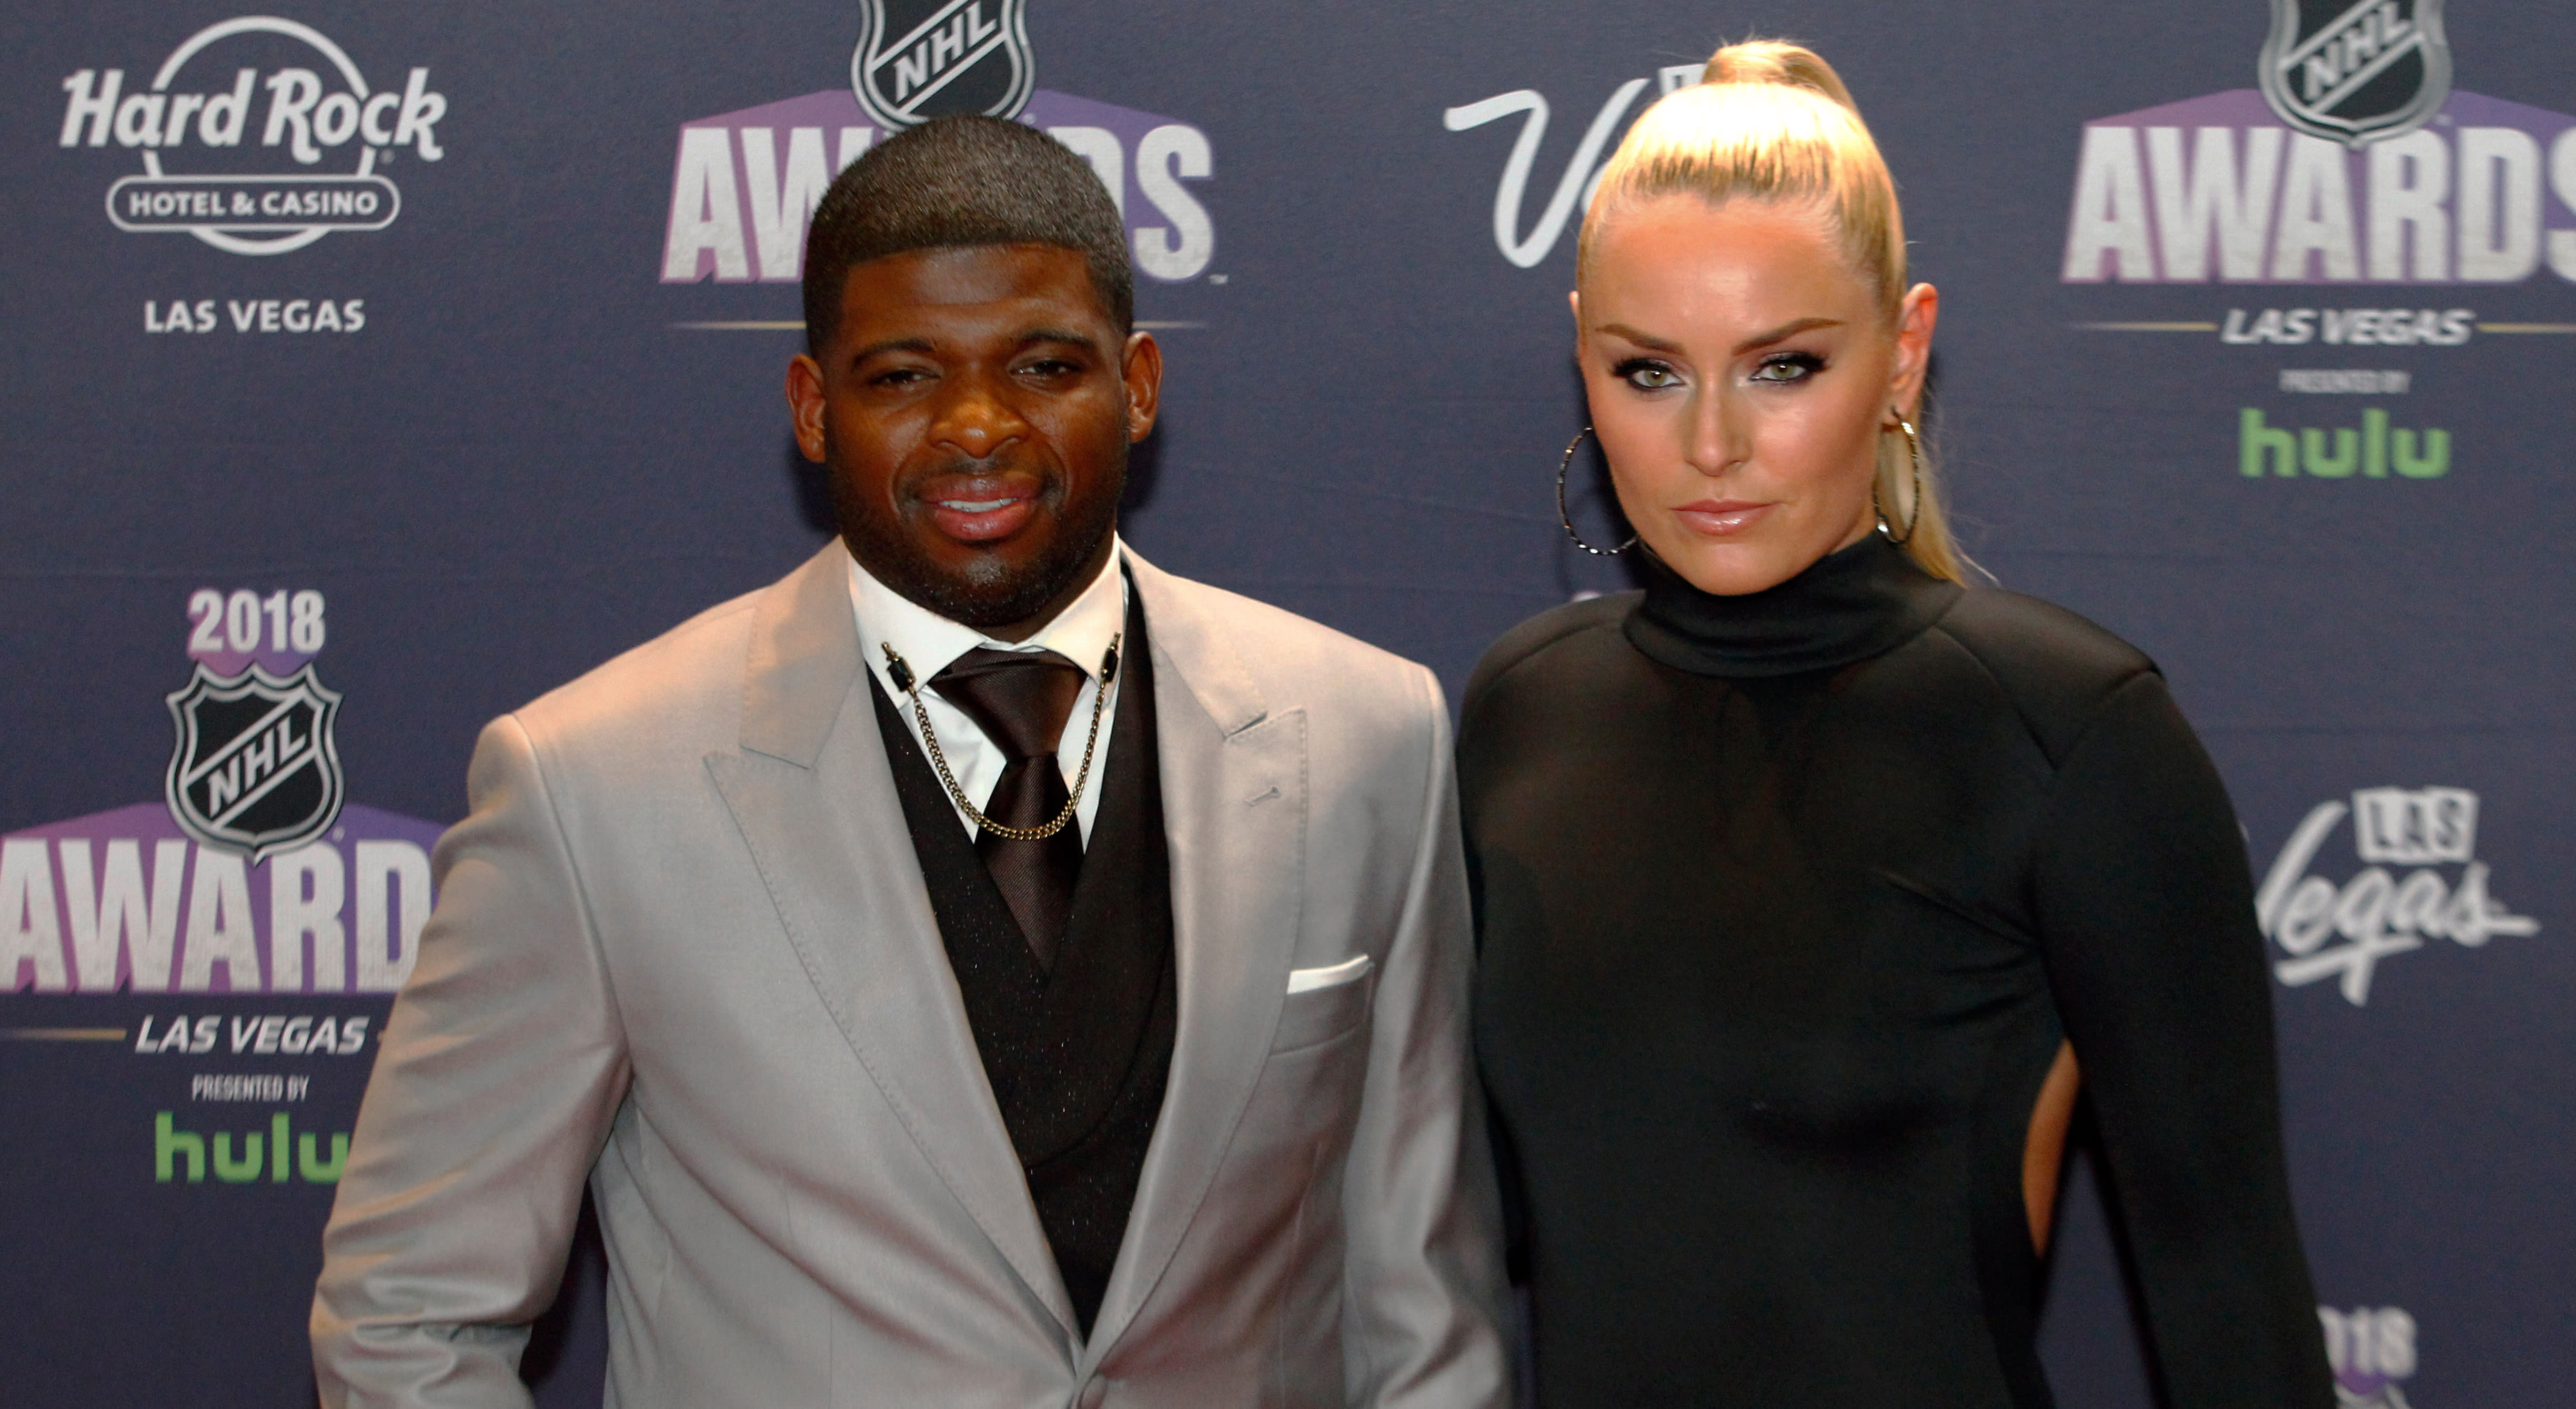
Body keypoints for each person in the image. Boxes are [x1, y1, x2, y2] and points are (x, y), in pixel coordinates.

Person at [311, 116, 1509, 1409]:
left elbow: (1419, 1302)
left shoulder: (1368, 736)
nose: (978, 426)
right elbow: (408, 1314)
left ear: (1142, 383)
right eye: (901, 377)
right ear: (815, 410)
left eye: (1046, 366)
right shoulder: (590, 784)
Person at [1460, 41, 2332, 1408]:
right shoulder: (1521, 709)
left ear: (1904, 352)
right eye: (1649, 372)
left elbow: (2232, 1307)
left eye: (1782, 365)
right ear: (1584, 354)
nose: (1712, 446)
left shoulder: (2068, 732)